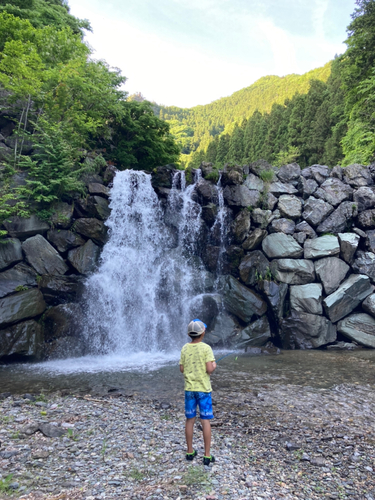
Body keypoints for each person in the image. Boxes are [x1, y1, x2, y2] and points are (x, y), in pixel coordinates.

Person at [179, 319, 217, 466]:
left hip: (189, 390)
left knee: (190, 420)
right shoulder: (206, 348)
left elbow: (182, 369)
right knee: (205, 420)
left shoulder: (184, 348)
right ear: (203, 332)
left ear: (189, 334)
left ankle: (190, 451)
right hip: (204, 390)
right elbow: (209, 369)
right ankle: (207, 455)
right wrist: (214, 365)